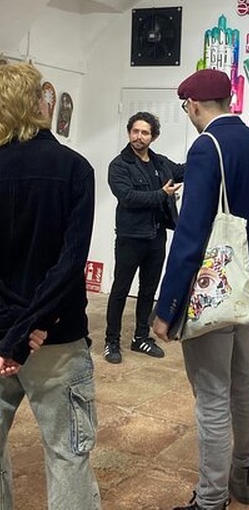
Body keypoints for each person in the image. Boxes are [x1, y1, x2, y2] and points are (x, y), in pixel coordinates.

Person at [152, 69, 249, 510]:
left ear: (192, 105)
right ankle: (243, 472)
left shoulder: (207, 146)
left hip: (212, 291)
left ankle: (210, 498)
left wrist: (168, 306)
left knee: (211, 394)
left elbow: (190, 234)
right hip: (247, 289)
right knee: (241, 380)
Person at [0, 61, 101, 508]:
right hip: (55, 337)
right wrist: (30, 327)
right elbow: (70, 262)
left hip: (3, 337)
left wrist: (10, 331)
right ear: (39, 104)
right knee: (67, 456)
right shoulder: (75, 168)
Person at [104, 111, 185, 364]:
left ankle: (140, 337)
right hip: (130, 237)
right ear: (129, 133)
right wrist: (162, 194)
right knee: (120, 290)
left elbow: (183, 170)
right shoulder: (119, 165)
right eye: (135, 131)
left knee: (149, 290)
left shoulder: (160, 163)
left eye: (145, 133)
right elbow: (128, 197)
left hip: (156, 236)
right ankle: (111, 341)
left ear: (154, 137)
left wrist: (207, 155)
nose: (139, 137)